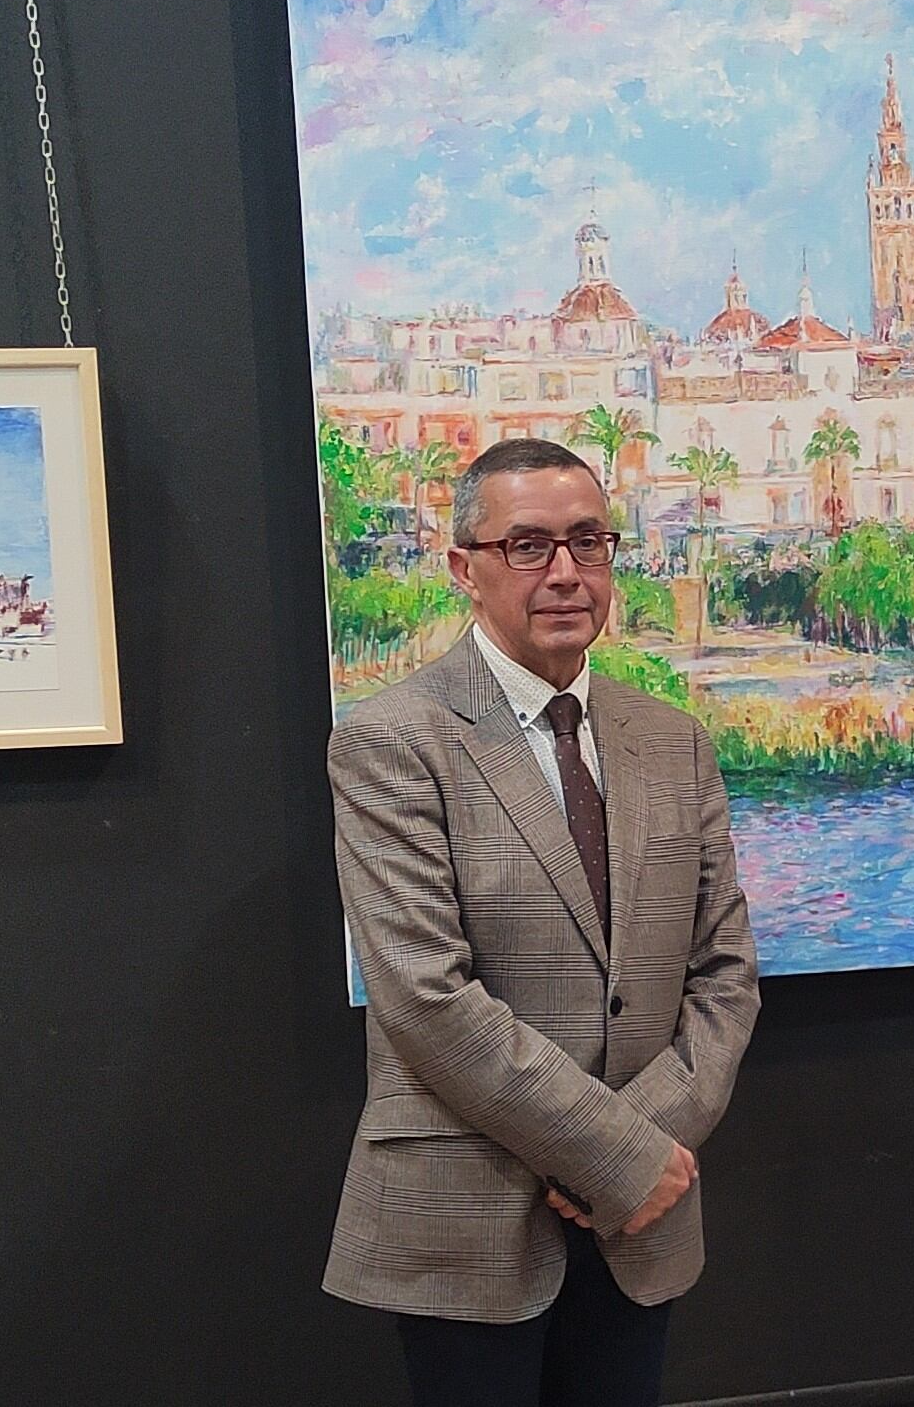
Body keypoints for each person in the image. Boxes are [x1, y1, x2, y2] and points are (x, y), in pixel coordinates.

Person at [324, 438, 759, 1407]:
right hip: (469, 1225)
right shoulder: (390, 740)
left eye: (587, 542)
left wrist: (639, 1150)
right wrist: (614, 1153)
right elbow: (426, 998)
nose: (565, 571)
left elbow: (725, 974)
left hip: (640, 1225)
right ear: (463, 569)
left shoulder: (671, 740)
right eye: (527, 545)